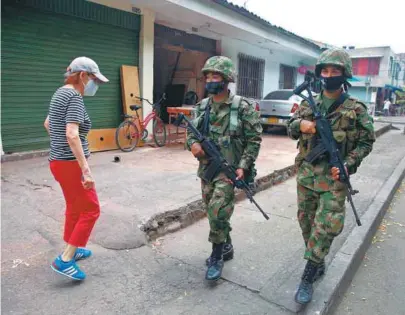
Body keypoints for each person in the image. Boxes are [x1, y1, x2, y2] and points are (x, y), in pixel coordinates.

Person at [286, 48, 375, 304]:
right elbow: (290, 128)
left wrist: (348, 164)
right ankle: (317, 258)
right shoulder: (307, 103)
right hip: (306, 176)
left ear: (344, 74)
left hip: (335, 178)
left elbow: (366, 142)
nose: (329, 75)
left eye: (335, 71)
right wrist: (299, 125)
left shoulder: (355, 109)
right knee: (306, 222)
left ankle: (308, 273)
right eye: (325, 71)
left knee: (326, 226)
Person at [186, 56, 262, 281]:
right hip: (207, 170)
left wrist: (243, 167)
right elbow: (191, 133)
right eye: (207, 76)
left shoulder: (242, 108)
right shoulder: (201, 107)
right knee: (212, 211)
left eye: (215, 76)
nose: (210, 80)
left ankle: (217, 255)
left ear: (227, 79)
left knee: (218, 211)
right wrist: (194, 145)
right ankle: (226, 245)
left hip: (229, 171)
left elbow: (254, 140)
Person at [44, 57, 109, 280]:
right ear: (83, 75)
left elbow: (48, 124)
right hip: (71, 165)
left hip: (58, 162)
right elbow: (72, 134)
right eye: (93, 79)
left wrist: (59, 148)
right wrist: (86, 169)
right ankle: (65, 259)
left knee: (74, 207)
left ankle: (73, 246)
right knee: (91, 210)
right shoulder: (74, 97)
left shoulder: (59, 93)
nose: (94, 85)